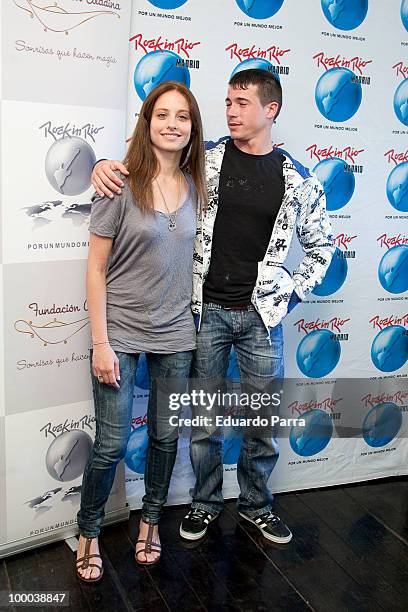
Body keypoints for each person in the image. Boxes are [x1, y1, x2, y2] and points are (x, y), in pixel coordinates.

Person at [92, 69, 334, 546]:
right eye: (227, 102)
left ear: (271, 110)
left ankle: (256, 505)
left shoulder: (298, 179)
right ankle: (204, 502)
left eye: (242, 103)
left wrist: (287, 291)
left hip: (261, 320)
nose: (231, 111)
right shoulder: (207, 158)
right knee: (203, 423)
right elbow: (148, 146)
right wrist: (104, 162)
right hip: (203, 315)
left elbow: (323, 246)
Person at [76, 81, 206, 581]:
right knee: (110, 444)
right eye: (163, 115)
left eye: (183, 117)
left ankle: (150, 521)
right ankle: (88, 530)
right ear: (147, 123)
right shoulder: (118, 183)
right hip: (121, 336)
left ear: (193, 128)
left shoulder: (201, 184)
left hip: (177, 334)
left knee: (165, 437)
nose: (172, 124)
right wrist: (101, 343)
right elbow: (95, 268)